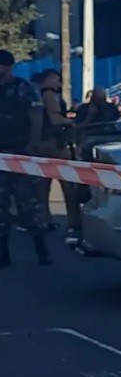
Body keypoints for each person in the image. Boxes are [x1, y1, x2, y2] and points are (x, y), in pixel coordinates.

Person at [0, 50, 50, 266]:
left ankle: (41, 247)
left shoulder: (22, 88)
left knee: (28, 205)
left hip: (19, 152)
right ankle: (3, 252)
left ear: (9, 67)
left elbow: (35, 115)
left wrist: (32, 143)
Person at [35, 70, 80, 242]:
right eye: (57, 79)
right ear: (48, 79)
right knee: (68, 183)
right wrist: (71, 122)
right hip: (55, 144)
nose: (59, 84)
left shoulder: (37, 95)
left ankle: (45, 219)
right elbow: (55, 119)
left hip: (41, 143)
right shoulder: (50, 95)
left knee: (43, 185)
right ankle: (74, 221)